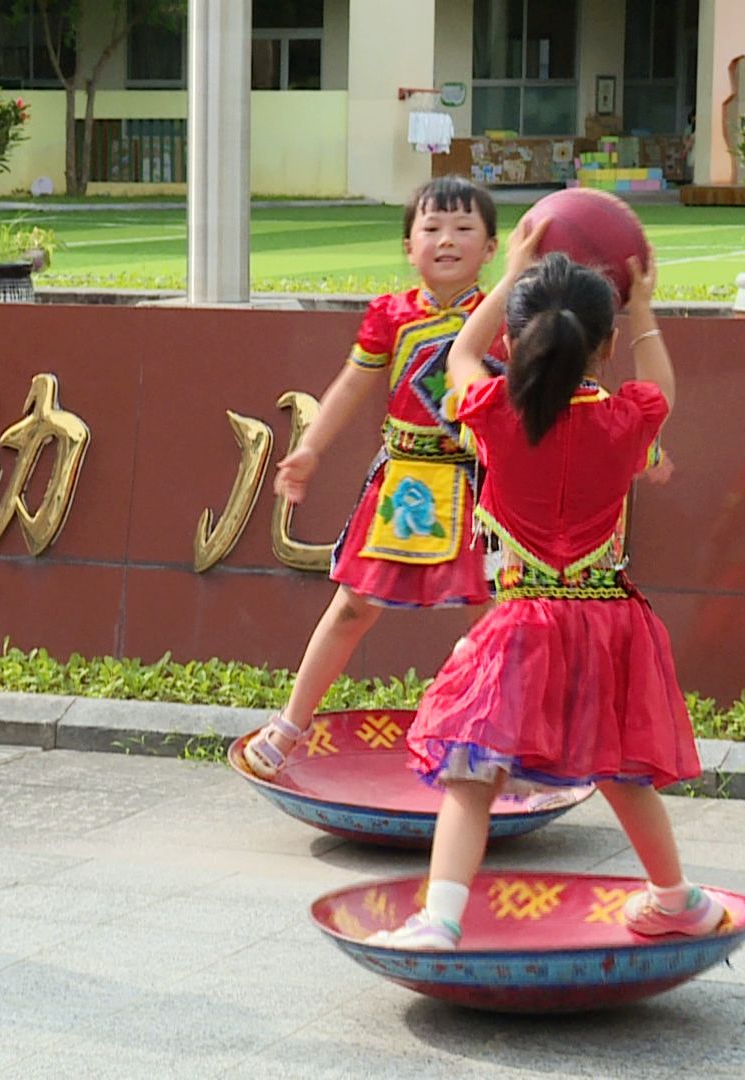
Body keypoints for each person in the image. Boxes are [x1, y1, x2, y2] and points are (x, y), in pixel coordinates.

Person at [369, 222, 723, 949]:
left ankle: (441, 918)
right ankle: (675, 898)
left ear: (513, 342)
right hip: (609, 623)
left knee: (472, 775)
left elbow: (461, 353)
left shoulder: (495, 413)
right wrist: (644, 307)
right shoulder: (628, 419)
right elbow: (661, 388)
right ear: (605, 346)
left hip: (524, 623)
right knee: (624, 772)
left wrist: (511, 274)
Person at [242, 176, 508, 779]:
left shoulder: (507, 319)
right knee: (351, 609)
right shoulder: (390, 316)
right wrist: (310, 449)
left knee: (491, 619)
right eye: (432, 228)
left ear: (491, 249)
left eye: (464, 229)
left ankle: (503, 743)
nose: (447, 240)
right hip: (404, 488)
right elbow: (351, 386)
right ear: (408, 247)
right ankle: (290, 725)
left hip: (477, 491)